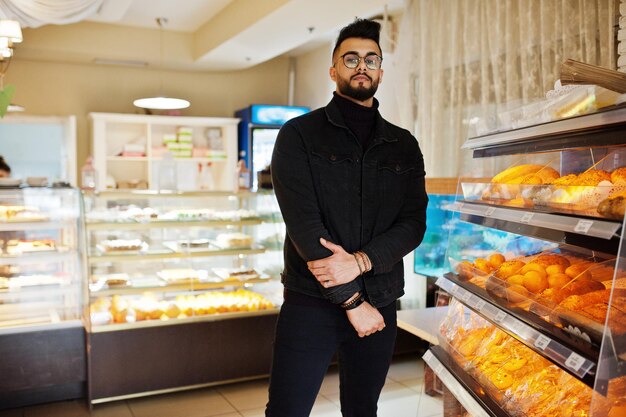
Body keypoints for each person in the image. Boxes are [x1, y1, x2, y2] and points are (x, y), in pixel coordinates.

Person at [265, 18, 428, 417]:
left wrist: (360, 262)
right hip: (310, 302)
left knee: (362, 410)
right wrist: (352, 302)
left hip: (381, 297)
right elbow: (305, 228)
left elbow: (413, 223)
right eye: (351, 58)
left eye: (371, 60)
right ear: (334, 69)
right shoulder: (298, 135)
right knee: (286, 410)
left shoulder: (403, 145)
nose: (362, 66)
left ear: (381, 72)